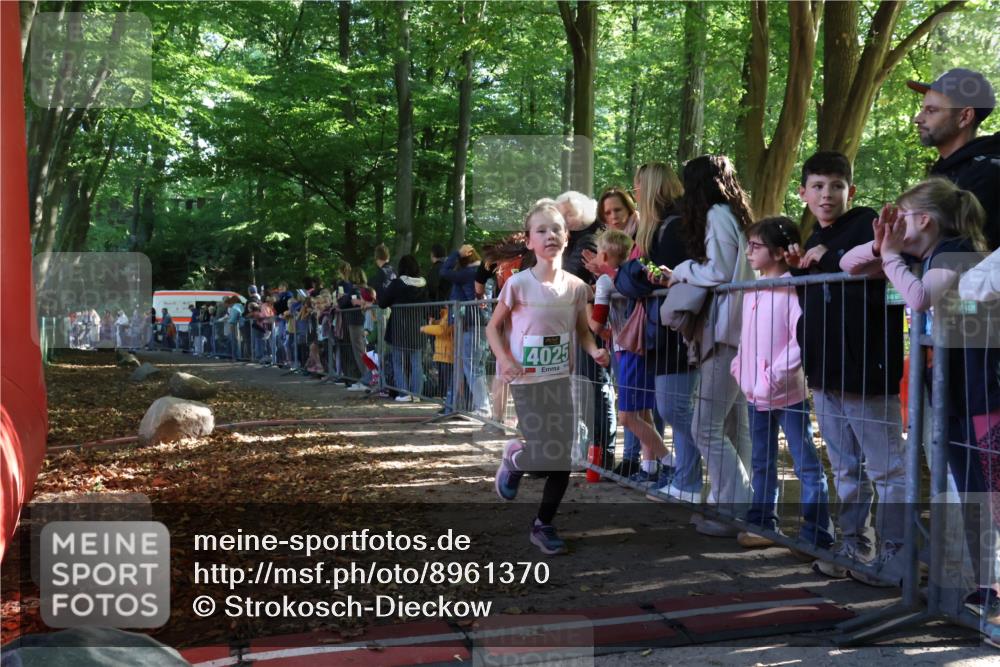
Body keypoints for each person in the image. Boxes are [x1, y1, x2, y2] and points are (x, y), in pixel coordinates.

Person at [842, 178, 1000, 598]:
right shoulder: (924, 256)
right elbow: (848, 265)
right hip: (954, 391)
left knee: (989, 488)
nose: (896, 222)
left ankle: (989, 583)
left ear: (925, 220)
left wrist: (892, 257)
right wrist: (881, 245)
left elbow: (918, 298)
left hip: (983, 389)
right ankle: (986, 586)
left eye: (902, 216)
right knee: (971, 489)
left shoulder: (954, 252)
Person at [787, 151, 906, 584]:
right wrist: (802, 267)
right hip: (825, 374)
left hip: (866, 372)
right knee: (845, 469)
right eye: (817, 186)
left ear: (850, 191)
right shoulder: (812, 239)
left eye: (836, 186)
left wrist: (827, 254)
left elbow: (872, 264)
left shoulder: (866, 224)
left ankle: (897, 557)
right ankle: (855, 546)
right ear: (803, 193)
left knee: (888, 469)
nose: (827, 194)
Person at [487, 200, 611, 555]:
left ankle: (543, 524)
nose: (550, 235)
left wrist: (594, 351)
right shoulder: (518, 285)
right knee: (545, 454)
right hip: (527, 383)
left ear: (567, 237)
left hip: (560, 380)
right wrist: (504, 359)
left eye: (556, 229)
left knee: (561, 459)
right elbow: (493, 328)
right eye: (541, 230)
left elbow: (581, 330)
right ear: (529, 241)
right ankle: (516, 458)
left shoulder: (576, 287)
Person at [730, 216, 834, 553]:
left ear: (777, 252)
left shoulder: (793, 288)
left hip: (788, 395)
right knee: (761, 460)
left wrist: (773, 376)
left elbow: (798, 340)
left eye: (755, 246)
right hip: (755, 394)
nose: (749, 251)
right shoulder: (754, 288)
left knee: (806, 463)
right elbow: (748, 335)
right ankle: (763, 521)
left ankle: (817, 530)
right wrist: (740, 367)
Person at [616, 161, 701, 500]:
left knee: (674, 408)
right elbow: (633, 277)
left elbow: (647, 276)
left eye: (638, 185)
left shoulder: (673, 228)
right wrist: (632, 273)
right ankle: (684, 479)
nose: (635, 191)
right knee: (668, 407)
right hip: (663, 330)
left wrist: (633, 273)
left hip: (676, 330)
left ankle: (688, 481)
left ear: (650, 187)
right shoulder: (661, 228)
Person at [589, 228, 670, 486]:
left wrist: (586, 305)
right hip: (645, 344)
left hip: (626, 349)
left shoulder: (606, 282)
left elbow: (596, 324)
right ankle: (649, 467)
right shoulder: (635, 273)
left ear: (604, 255)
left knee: (628, 416)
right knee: (643, 412)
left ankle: (670, 462)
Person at [556, 190, 617, 473]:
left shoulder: (589, 240)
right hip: (579, 323)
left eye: (569, 213)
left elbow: (571, 280)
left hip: (592, 326)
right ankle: (590, 452)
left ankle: (601, 453)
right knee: (585, 390)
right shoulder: (576, 240)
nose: (564, 218)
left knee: (596, 388)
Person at [908, 68, 999, 249]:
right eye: (922, 109)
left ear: (964, 117)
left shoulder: (988, 174)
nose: (917, 119)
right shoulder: (943, 172)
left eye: (931, 110)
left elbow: (962, 249)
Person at [441, 244, 490, 415]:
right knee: (473, 366)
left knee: (472, 367)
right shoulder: (482, 272)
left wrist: (456, 253)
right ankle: (455, 405)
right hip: (479, 324)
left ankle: (483, 408)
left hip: (471, 325)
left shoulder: (468, 273)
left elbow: (444, 272)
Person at [377, 255, 429, 402]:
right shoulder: (423, 284)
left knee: (398, 362)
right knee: (416, 363)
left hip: (399, 327)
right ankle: (417, 395)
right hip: (417, 328)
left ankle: (403, 393)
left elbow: (383, 303)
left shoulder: (397, 284)